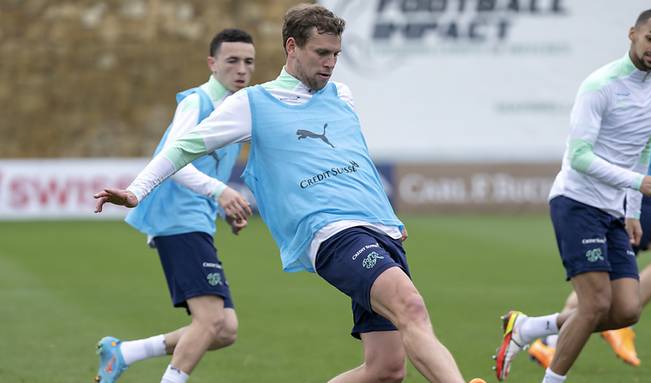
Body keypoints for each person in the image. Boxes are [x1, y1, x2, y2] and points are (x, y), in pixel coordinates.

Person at [94, 4, 487, 383]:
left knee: (385, 369)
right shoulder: (252, 102)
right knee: (411, 307)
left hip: (378, 231)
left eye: (335, 54)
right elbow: (181, 148)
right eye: (321, 53)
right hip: (330, 232)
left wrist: (386, 217)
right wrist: (135, 192)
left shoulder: (342, 96)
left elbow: (355, 157)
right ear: (291, 47)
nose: (330, 62)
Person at [492, 9, 651, 383]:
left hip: (614, 209)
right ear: (632, 34)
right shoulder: (600, 84)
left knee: (626, 311)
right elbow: (579, 156)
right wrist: (637, 185)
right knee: (593, 305)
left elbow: (642, 151)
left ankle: (527, 329)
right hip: (576, 202)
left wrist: (634, 212)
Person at [94, 28, 255, 383]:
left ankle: (124, 353)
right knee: (210, 320)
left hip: (197, 219)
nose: (242, 69)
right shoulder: (196, 102)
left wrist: (224, 207)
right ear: (212, 64)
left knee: (225, 329)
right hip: (176, 219)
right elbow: (174, 160)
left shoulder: (237, 110)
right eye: (232, 60)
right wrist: (221, 193)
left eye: (248, 61)